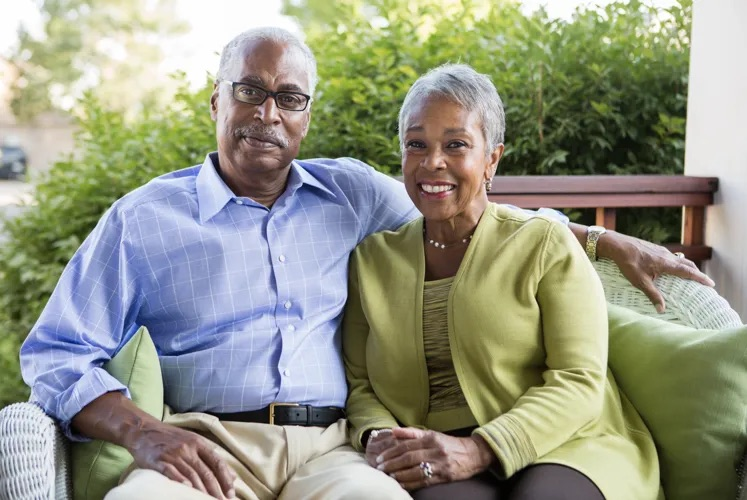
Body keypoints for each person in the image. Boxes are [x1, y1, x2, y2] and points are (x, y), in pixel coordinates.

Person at [20, 28, 697, 499]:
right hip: (207, 447)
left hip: (332, 452)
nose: (267, 113)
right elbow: (54, 354)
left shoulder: (346, 193)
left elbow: (471, 211)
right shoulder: (143, 220)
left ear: (306, 116)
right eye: (248, 91)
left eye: (289, 98)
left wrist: (602, 240)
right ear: (215, 102)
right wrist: (146, 436)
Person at [343, 64, 661, 499]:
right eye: (416, 144)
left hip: (568, 443)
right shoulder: (372, 260)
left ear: (492, 158)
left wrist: (480, 448)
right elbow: (360, 383)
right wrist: (377, 436)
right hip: (436, 451)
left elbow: (579, 378)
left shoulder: (544, 242)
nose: (433, 162)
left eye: (456, 145)